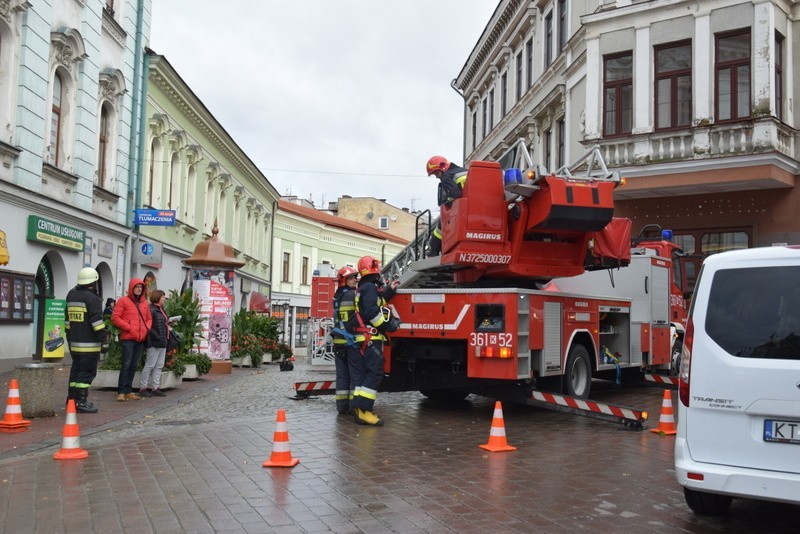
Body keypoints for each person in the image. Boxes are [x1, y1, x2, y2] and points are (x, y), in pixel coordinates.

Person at [347, 256, 400, 426]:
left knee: (363, 375)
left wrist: (389, 291)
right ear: (374, 269)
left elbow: (375, 304)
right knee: (375, 374)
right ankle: (364, 411)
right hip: (370, 339)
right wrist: (389, 326)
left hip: (363, 339)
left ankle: (358, 409)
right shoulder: (369, 288)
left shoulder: (364, 287)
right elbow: (372, 313)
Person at [64, 267, 108, 413]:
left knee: (76, 372)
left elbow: (67, 321)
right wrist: (104, 340)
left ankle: (71, 399)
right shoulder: (93, 299)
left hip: (74, 343)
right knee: (87, 373)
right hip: (89, 345)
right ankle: (81, 402)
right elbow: (97, 323)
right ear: (94, 282)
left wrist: (70, 338)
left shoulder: (71, 295)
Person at [111, 278, 151, 401]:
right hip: (128, 338)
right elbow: (115, 317)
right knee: (126, 364)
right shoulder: (123, 301)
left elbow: (149, 318)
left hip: (140, 338)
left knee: (134, 365)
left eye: (141, 287)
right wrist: (129, 327)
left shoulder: (145, 303)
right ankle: (121, 392)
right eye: (137, 287)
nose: (139, 289)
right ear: (131, 288)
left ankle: (128, 390)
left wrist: (146, 328)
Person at [330, 266, 359, 415]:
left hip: (339, 341)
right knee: (355, 375)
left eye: (356, 277)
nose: (356, 279)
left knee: (342, 376)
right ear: (344, 280)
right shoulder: (352, 295)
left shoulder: (337, 296)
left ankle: (342, 406)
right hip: (350, 341)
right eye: (352, 277)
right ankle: (354, 406)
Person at [426, 155, 468, 256]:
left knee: (441, 225)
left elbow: (456, 194)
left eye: (436, 173)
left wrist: (447, 201)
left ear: (443, 167)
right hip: (474, 208)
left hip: (461, 211)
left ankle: (433, 250)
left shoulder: (446, 176)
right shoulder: (466, 170)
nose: (436, 177)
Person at [139, 290, 169, 398]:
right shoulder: (152, 309)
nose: (164, 299)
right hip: (155, 340)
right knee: (150, 365)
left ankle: (155, 387)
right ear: (157, 298)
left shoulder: (161, 310)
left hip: (162, 340)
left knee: (159, 365)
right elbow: (148, 325)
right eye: (162, 297)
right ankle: (143, 387)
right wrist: (156, 335)